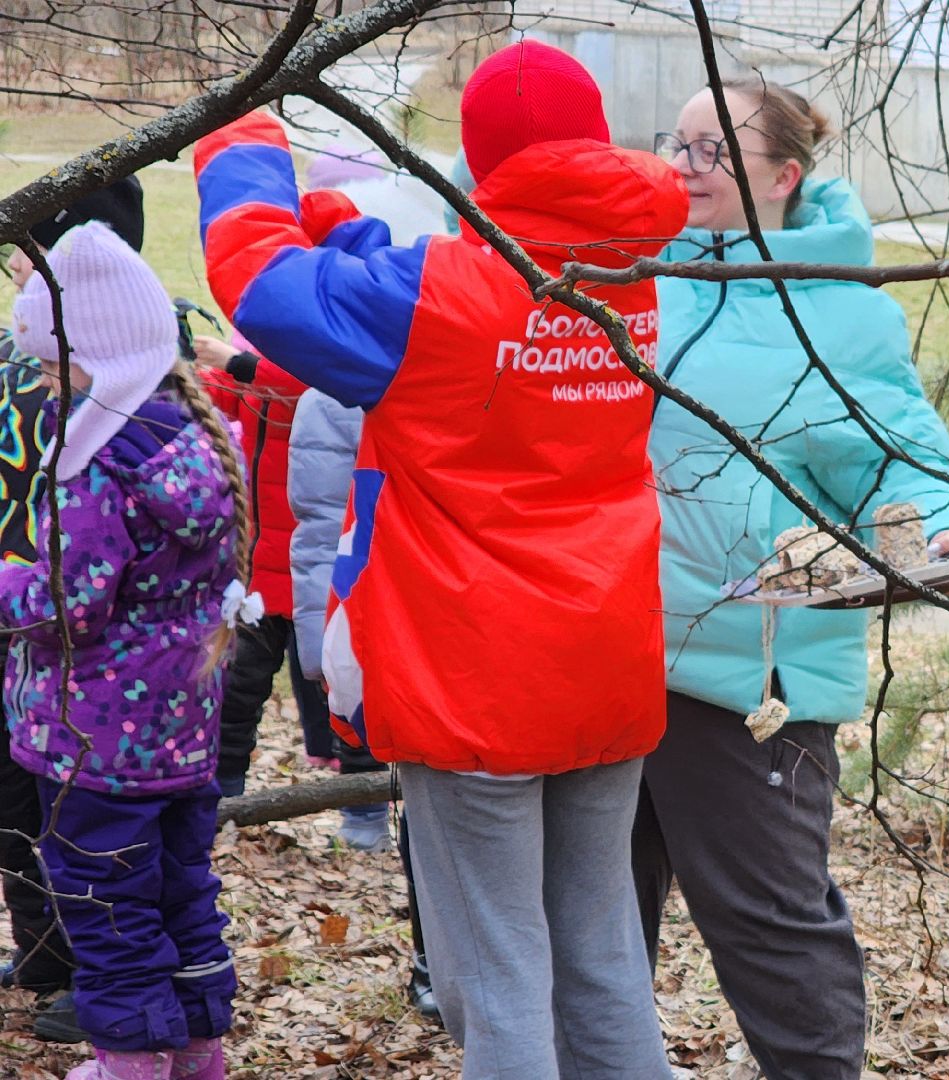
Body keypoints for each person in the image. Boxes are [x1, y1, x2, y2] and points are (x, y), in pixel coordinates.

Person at [193, 39, 687, 1080]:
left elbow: (267, 284)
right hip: (603, 662)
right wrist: (341, 222)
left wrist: (237, 141)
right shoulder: (631, 278)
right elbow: (431, 302)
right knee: (599, 960)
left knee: (497, 983)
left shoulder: (435, 302)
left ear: (480, 159)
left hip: (475, 681)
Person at [638, 78, 949, 1080]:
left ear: (783, 176)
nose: (682, 166)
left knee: (770, 930)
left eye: (714, 151)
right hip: (609, 656)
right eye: (677, 141)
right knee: (597, 916)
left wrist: (945, 531)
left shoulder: (835, 313)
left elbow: (905, 456)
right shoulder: (639, 273)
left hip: (748, 679)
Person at [0, 221, 244, 1079]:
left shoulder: (97, 471)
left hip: (94, 745)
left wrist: (3, 583)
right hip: (179, 737)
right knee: (183, 893)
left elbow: (67, 609)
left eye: (53, 368)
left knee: (106, 906)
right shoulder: (198, 436)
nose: (42, 384)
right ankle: (200, 1050)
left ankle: (129, 1065)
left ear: (96, 359)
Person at [0, 176, 147, 1045]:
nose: (19, 266)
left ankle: (98, 968)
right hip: (19, 624)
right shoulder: (26, 357)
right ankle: (47, 950)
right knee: (15, 795)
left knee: (79, 813)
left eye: (32, 251)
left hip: (85, 644)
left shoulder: (117, 377)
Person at [287, 381, 435, 1018]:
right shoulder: (338, 393)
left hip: (533, 625)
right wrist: (322, 647)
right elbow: (324, 526)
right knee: (436, 806)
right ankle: (438, 959)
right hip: (408, 627)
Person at [189, 330, 330, 796]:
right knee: (237, 686)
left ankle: (364, 809)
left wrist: (239, 364)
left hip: (321, 566)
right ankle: (225, 791)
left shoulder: (325, 355)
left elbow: (315, 387)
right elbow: (228, 400)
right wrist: (187, 374)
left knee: (340, 690)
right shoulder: (261, 362)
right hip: (262, 565)